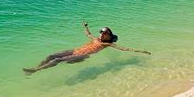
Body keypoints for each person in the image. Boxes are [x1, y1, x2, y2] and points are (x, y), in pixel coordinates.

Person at [23, 22, 151, 75]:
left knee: (57, 61)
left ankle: (35, 70)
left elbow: (124, 49)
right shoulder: (95, 39)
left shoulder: (106, 44)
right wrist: (85, 26)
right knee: (51, 56)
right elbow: (88, 34)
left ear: (109, 36)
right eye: (101, 31)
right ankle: (37, 67)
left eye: (105, 33)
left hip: (82, 55)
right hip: (75, 51)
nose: (101, 33)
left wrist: (140, 51)